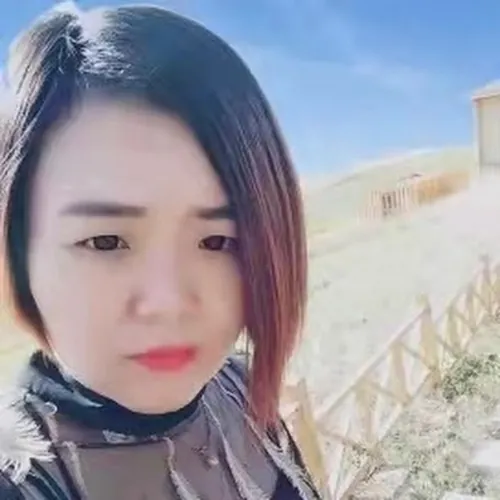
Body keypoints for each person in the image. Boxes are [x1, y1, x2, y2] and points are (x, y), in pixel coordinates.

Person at [0, 2, 320, 499]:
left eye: (218, 241)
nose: (168, 302)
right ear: (19, 252)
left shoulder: (238, 388)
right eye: (105, 241)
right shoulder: (20, 477)